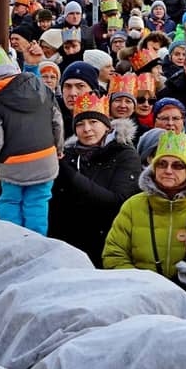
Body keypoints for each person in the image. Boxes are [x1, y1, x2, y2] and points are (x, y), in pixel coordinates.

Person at [0, 39, 63, 235]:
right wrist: (58, 148)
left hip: (13, 163)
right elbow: (57, 121)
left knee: (10, 200)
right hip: (46, 158)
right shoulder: (43, 89)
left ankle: (12, 238)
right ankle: (36, 239)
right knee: (38, 201)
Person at [103, 132, 186, 278]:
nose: (168, 171)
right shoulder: (132, 206)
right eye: (162, 164)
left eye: (177, 166)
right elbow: (114, 254)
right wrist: (140, 283)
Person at [49, 92, 141, 266]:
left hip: (105, 243)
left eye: (93, 122)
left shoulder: (125, 155)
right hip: (68, 246)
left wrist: (69, 174)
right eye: (80, 124)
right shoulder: (68, 155)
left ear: (106, 126)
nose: (87, 129)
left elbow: (117, 201)